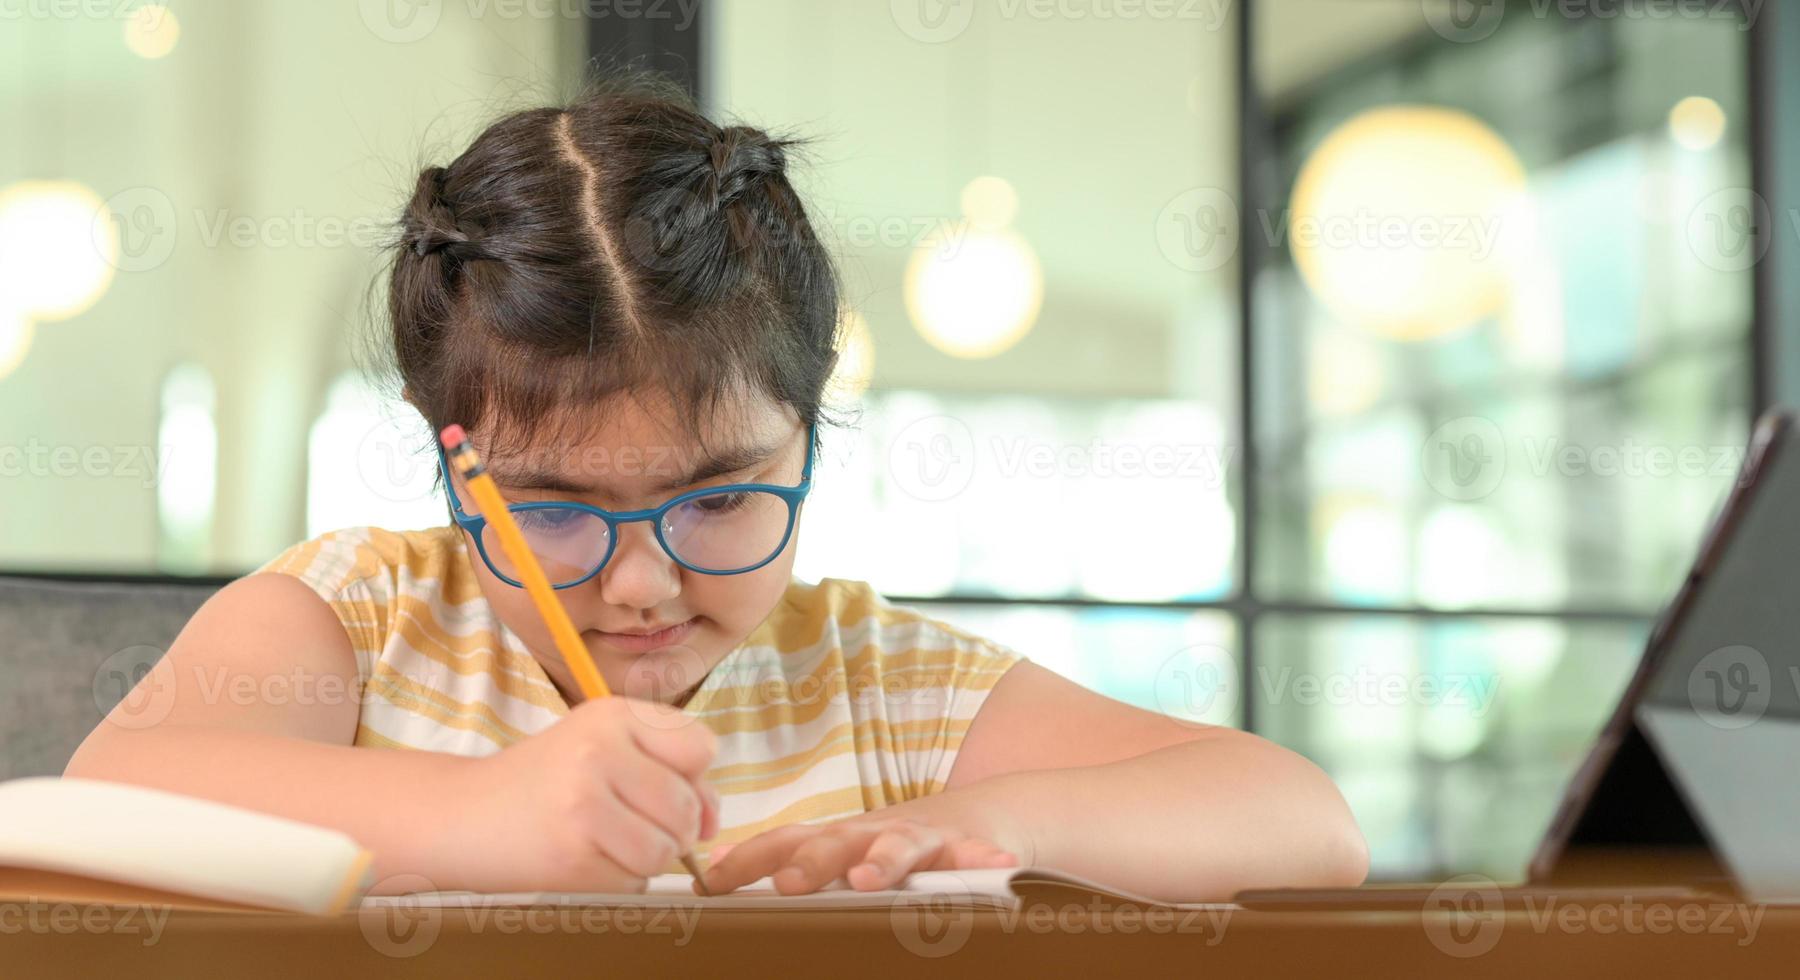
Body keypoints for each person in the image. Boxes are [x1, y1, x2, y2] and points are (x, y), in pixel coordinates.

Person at [67, 75, 1367, 902]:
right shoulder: (354, 617)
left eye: (720, 501)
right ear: (454, 472)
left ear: (808, 439)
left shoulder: (868, 682)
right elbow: (104, 800)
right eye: (557, 509)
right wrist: (484, 815)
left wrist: (985, 822)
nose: (641, 582)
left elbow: (1301, 821)